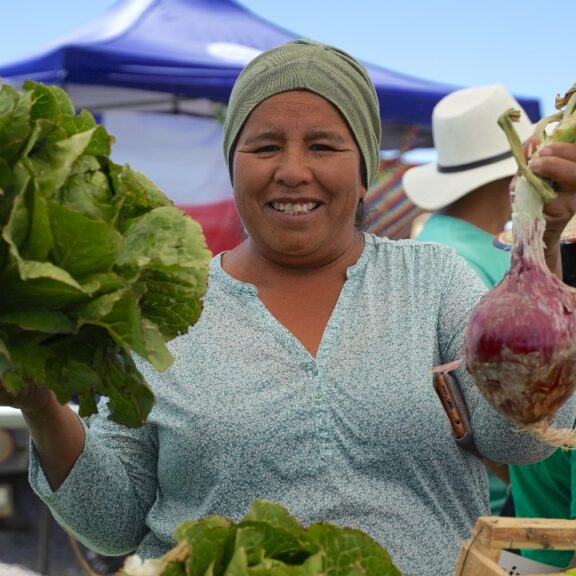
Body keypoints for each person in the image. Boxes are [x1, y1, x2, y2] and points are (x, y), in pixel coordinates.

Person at [2, 40, 576, 576]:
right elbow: (113, 521)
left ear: (364, 170)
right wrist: (42, 405)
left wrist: (542, 244)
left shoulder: (432, 281)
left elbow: (521, 440)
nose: (293, 170)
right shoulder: (162, 308)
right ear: (234, 162)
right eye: (265, 145)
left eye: (324, 145)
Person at [402, 84, 535, 516]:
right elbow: (465, 412)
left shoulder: (447, 247)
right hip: (501, 506)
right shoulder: (455, 265)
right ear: (518, 171)